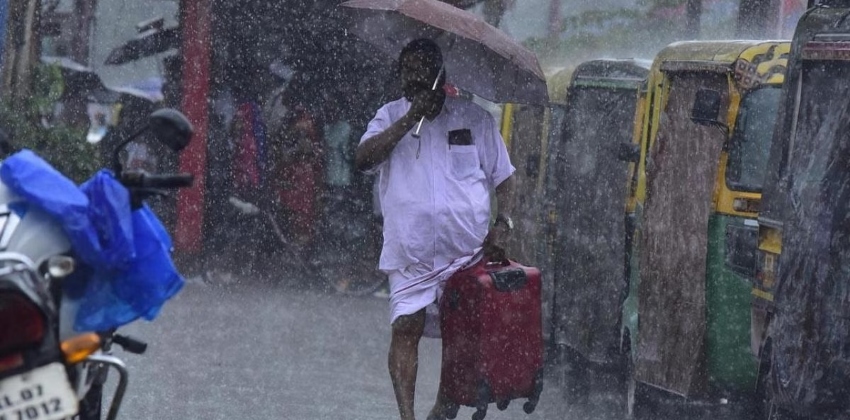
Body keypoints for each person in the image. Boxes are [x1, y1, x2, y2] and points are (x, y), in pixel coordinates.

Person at [356, 38, 516, 420]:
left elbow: (505, 178)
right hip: (410, 252)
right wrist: (409, 120)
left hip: (466, 254)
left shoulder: (475, 119)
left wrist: (503, 224)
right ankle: (407, 416)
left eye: (421, 69)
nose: (412, 77)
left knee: (461, 340)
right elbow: (363, 159)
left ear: (440, 74)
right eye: (406, 70)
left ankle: (444, 408)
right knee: (405, 326)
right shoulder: (389, 115)